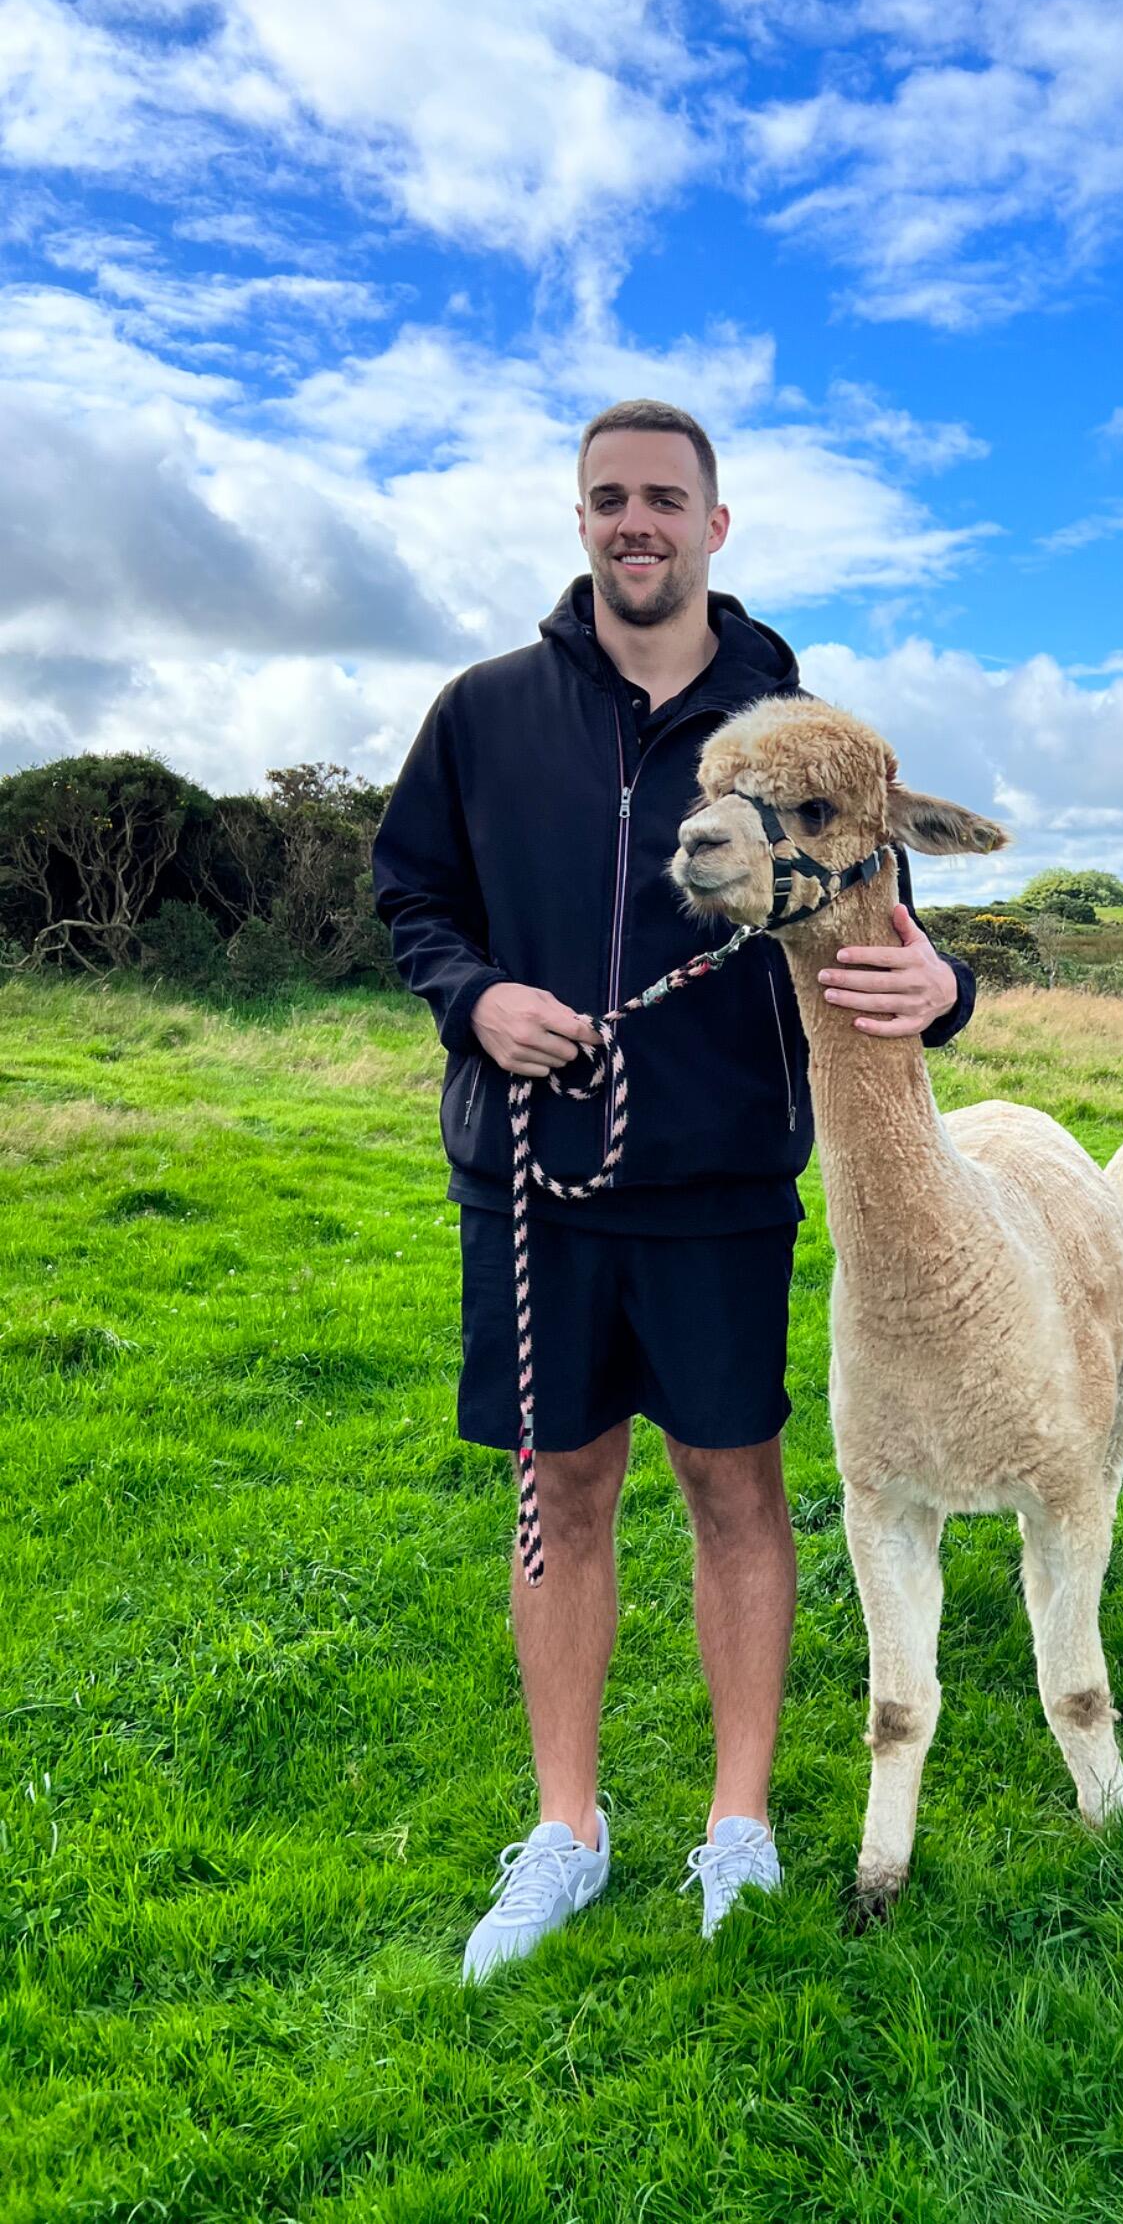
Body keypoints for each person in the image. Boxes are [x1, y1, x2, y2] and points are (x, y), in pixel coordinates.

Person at [372, 398, 975, 1973]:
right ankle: (565, 1829)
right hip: (528, 1168)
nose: (632, 523)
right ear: (581, 523)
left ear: (717, 525)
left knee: (733, 1488)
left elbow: (879, 911)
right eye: (605, 500)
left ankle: (738, 1821)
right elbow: (412, 890)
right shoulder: (486, 713)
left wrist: (948, 992)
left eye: (662, 499)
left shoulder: (794, 721)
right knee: (559, 1488)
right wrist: (473, 998)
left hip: (717, 1171)